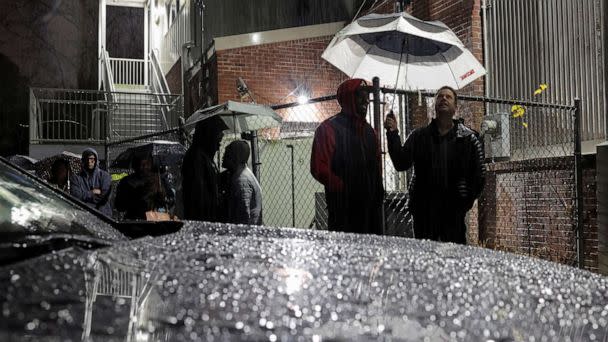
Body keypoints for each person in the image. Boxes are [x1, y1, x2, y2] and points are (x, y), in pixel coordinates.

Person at [384, 86, 485, 244]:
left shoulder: (468, 139)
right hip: (424, 211)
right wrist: (392, 133)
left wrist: (464, 201)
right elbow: (401, 163)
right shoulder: (419, 136)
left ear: (455, 108)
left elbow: (479, 176)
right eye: (440, 97)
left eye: (448, 97)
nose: (443, 99)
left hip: (453, 213)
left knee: (453, 257)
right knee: (425, 257)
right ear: (434, 105)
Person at [310, 78, 384, 235]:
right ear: (347, 98)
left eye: (367, 94)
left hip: (371, 210)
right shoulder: (328, 129)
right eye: (360, 94)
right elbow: (318, 167)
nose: (366, 99)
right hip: (344, 210)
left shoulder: (370, 132)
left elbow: (377, 165)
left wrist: (377, 191)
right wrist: (344, 189)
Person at [182, 116, 228, 221]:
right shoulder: (196, 158)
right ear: (209, 134)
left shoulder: (204, 157)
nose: (222, 135)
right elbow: (199, 196)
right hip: (202, 221)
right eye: (219, 132)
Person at [115, 152, 175, 220]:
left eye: (145, 164)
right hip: (135, 221)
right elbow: (119, 206)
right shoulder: (127, 181)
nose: (142, 167)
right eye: (139, 164)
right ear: (134, 165)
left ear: (151, 164)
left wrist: (164, 198)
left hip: (156, 220)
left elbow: (171, 200)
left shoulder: (159, 180)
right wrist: (137, 195)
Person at [221, 140, 263, 225]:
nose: (223, 157)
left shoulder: (241, 180)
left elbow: (243, 217)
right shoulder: (239, 174)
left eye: (227, 154)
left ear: (235, 157)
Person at [70, 148, 112, 217]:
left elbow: (105, 196)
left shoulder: (104, 176)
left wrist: (85, 196)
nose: (89, 161)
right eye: (87, 159)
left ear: (96, 160)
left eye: (92, 159)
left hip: (103, 215)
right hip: (83, 215)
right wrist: (92, 192)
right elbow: (76, 196)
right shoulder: (76, 178)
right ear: (83, 161)